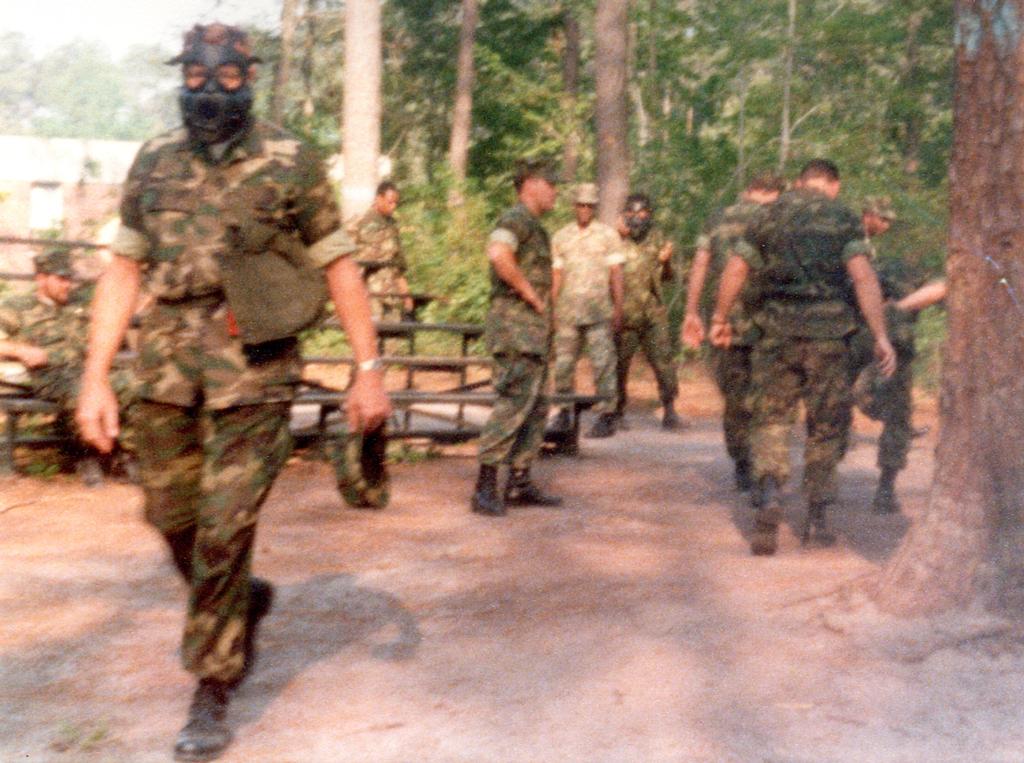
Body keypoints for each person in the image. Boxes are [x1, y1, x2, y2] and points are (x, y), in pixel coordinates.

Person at [74, 24, 390, 762]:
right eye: (195, 76)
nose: (208, 90)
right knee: (169, 512)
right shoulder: (153, 159)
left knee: (224, 525)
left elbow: (338, 264)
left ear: (250, 76)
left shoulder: (290, 160)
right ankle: (241, 600)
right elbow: (123, 268)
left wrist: (367, 370)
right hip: (164, 367)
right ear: (180, 76)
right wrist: (94, 375)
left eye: (224, 77)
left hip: (256, 366)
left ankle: (212, 680)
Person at [710, 159, 896, 555]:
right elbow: (863, 276)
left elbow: (736, 267)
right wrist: (880, 334)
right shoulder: (844, 217)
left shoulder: (769, 215)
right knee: (825, 426)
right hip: (829, 338)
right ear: (834, 184)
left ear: (799, 183)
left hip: (775, 336)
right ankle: (817, 517)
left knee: (772, 420)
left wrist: (720, 317)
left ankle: (771, 493)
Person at [471, 158, 563, 517]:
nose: (555, 191)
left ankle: (520, 481)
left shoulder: (536, 227)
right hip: (516, 329)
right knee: (513, 403)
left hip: (535, 333)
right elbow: (498, 254)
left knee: (537, 406)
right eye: (551, 184)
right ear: (531, 184)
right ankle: (484, 487)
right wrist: (528, 292)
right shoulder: (514, 220)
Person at [682, 173, 786, 489]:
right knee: (767, 397)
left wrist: (691, 312)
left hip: (725, 323)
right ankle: (764, 469)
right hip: (767, 322)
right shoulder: (777, 219)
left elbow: (700, 264)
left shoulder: (718, 218)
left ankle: (742, 462)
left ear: (747, 190)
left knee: (735, 397)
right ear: (775, 192)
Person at [0, 249, 134, 486]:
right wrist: (20, 350)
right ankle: (86, 455)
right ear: (41, 279)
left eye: (70, 278)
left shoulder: (80, 304)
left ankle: (122, 454)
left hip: (92, 369)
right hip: (52, 373)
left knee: (130, 384)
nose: (68, 285)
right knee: (82, 391)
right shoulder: (18, 307)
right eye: (61, 278)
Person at [848, 198, 943, 514]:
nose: (884, 224)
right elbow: (941, 286)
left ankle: (883, 488)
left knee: (889, 408)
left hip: (866, 331)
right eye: (881, 218)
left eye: (887, 220)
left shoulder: (861, 245)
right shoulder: (854, 242)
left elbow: (942, 286)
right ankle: (883, 488)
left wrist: (895, 309)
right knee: (892, 411)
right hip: (873, 332)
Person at [550, 182, 625, 438]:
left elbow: (616, 273)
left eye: (589, 205)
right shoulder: (561, 236)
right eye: (580, 204)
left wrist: (618, 307)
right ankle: (562, 411)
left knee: (603, 362)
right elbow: (556, 274)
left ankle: (606, 413)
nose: (584, 209)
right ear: (574, 206)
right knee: (563, 364)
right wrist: (551, 306)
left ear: (594, 207)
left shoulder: (608, 235)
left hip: (599, 311)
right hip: (568, 311)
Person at [614, 193, 681, 430]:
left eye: (641, 213)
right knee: (619, 365)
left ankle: (670, 409)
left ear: (649, 215)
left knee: (663, 361)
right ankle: (617, 411)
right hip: (624, 313)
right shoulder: (615, 239)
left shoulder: (658, 238)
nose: (636, 218)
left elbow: (668, 278)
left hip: (652, 312)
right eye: (631, 213)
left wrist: (667, 261)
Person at [347, 181, 414, 320]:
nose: (393, 206)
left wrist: (407, 298)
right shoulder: (358, 222)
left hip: (391, 296)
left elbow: (398, 265)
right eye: (390, 202)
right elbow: (345, 262)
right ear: (378, 198)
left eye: (396, 203)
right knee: (371, 338)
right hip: (368, 296)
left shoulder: (392, 225)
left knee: (392, 338)